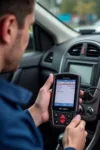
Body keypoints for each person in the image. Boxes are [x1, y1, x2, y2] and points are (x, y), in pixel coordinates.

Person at [0, 0, 87, 150]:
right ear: (8, 28)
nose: (28, 38)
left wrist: (37, 113)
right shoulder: (9, 127)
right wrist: (72, 147)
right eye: (29, 27)